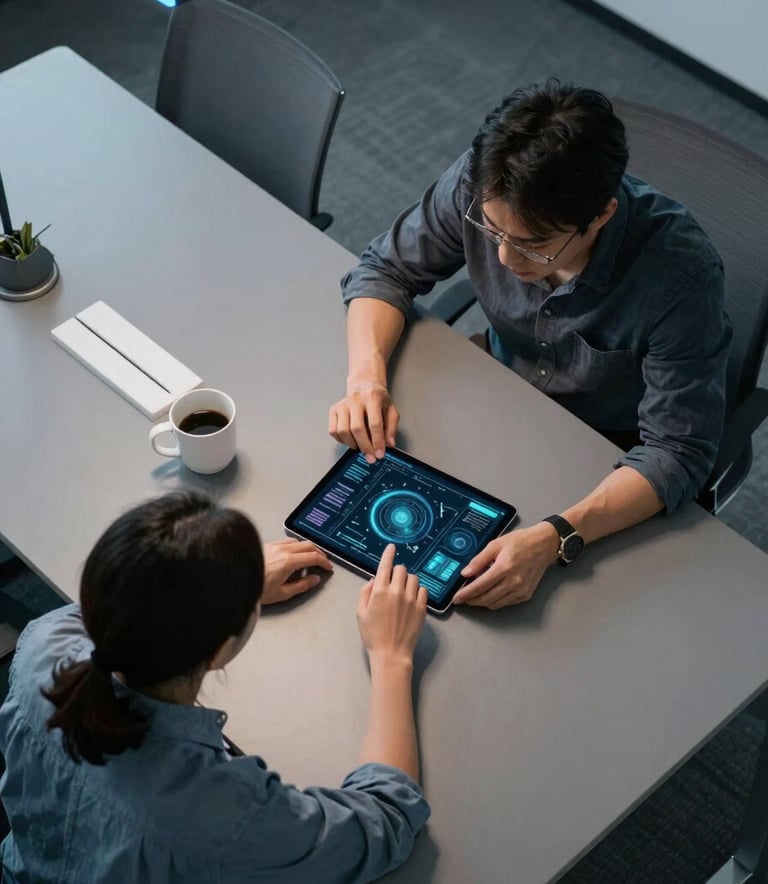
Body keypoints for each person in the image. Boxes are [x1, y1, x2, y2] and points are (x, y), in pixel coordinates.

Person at [329, 80, 731, 610]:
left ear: (602, 215)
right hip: (493, 398)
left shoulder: (680, 276)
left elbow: (677, 450)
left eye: (532, 245)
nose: (502, 260)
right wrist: (366, 377)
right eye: (491, 230)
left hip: (604, 456)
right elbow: (385, 269)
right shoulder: (483, 182)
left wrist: (559, 535)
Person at [0, 492, 429, 883]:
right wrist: (392, 657)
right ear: (219, 651)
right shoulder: (224, 816)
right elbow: (387, 818)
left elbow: (124, 603)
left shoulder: (42, 643)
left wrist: (222, 587)